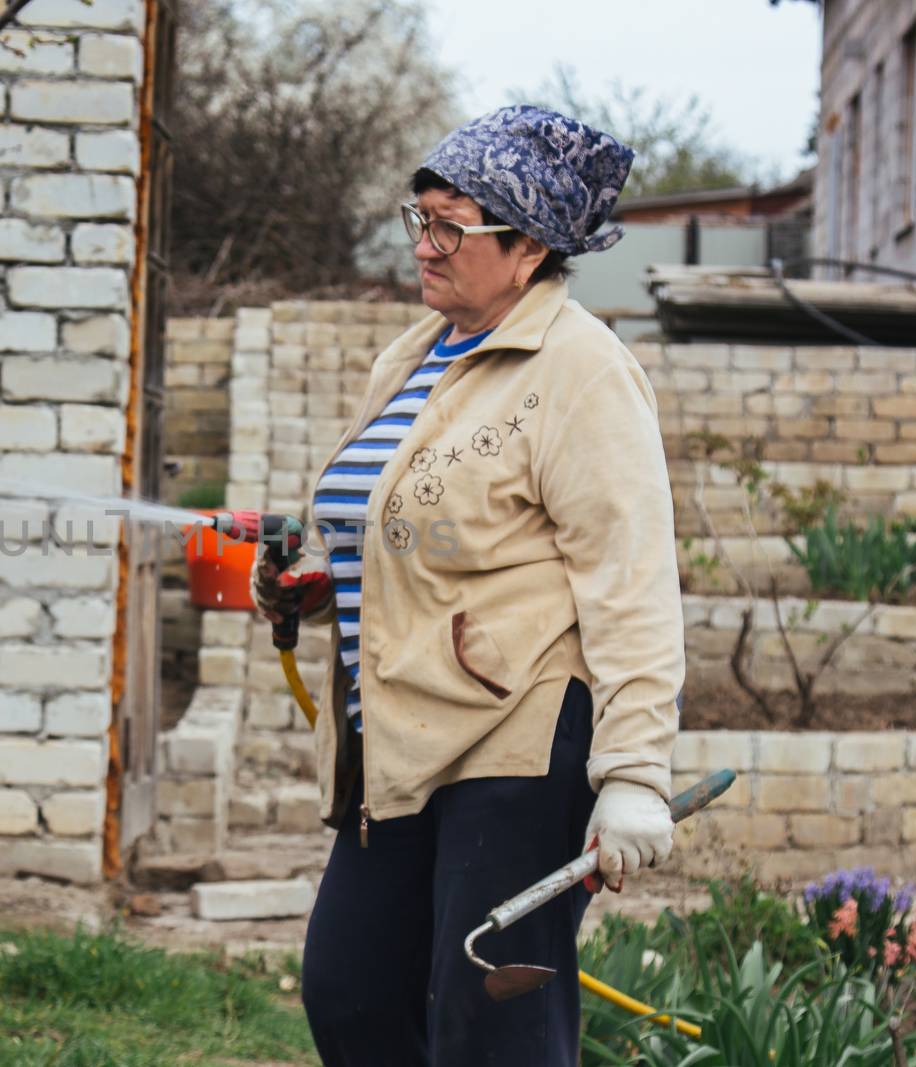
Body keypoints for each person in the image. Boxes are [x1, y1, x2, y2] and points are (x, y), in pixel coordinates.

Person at [251, 105, 685, 1065]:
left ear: (528, 247)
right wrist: (309, 583)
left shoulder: (580, 369)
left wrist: (634, 774)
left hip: (514, 740)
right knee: (351, 992)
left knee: (492, 1021)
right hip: (396, 736)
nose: (426, 246)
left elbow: (632, 580)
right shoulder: (408, 359)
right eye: (420, 219)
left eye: (452, 225)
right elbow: (406, 535)